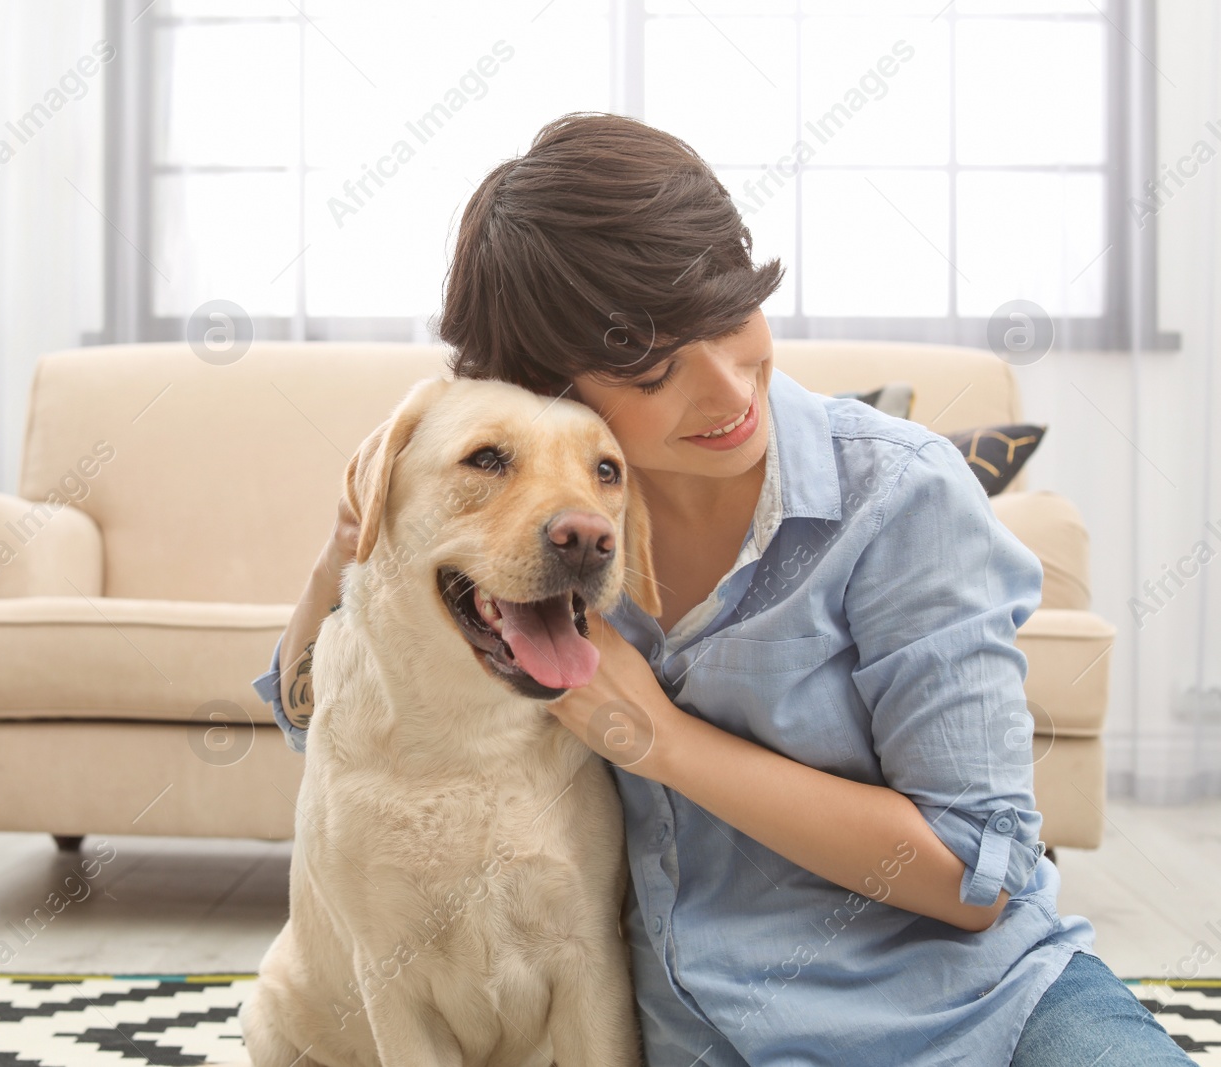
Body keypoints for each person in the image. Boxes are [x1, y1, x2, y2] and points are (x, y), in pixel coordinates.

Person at [250, 112, 1199, 1066]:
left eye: (730, 313)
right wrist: (344, 558)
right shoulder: (538, 545)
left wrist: (660, 738)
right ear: (549, 383)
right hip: (715, 1038)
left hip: (983, 1009)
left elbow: (976, 872)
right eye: (654, 370)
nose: (726, 389)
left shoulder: (900, 494)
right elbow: (336, 722)